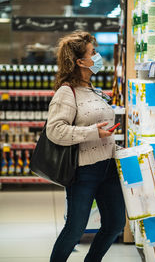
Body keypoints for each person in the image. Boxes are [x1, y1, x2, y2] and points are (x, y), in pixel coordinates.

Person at [46, 31, 125, 262]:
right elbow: (55, 130)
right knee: (75, 229)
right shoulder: (66, 92)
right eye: (94, 52)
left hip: (108, 168)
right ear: (80, 61)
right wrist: (93, 133)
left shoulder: (92, 89)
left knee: (115, 223)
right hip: (84, 172)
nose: (98, 56)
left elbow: (103, 131)